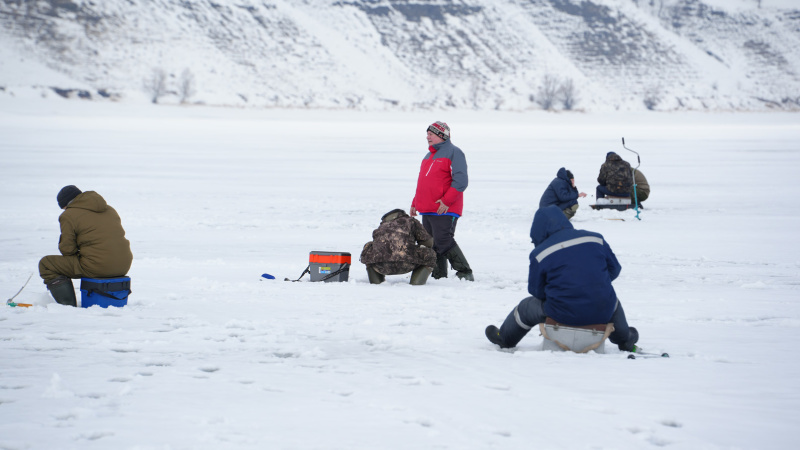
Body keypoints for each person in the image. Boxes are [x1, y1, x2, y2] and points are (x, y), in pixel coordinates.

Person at [485, 205, 639, 352]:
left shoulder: (540, 253)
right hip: (600, 308)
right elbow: (615, 269)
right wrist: (593, 283)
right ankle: (625, 340)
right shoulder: (595, 239)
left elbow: (536, 291)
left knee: (526, 307)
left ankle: (505, 338)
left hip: (561, 312)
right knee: (610, 301)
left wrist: (561, 292)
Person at [39, 186, 133, 306]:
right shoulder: (109, 209)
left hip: (98, 266)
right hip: (123, 265)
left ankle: (67, 306)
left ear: (66, 204)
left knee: (46, 264)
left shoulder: (68, 215)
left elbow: (67, 250)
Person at [410, 121, 474, 281]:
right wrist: (415, 202)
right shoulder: (428, 155)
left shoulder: (454, 152)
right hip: (428, 207)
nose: (427, 137)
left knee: (443, 239)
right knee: (432, 243)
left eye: (431, 134)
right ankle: (439, 275)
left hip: (445, 208)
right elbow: (423, 183)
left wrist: (447, 201)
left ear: (441, 135)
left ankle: (465, 272)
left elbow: (461, 180)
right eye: (427, 134)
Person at [359, 209, 437, 285]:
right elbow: (428, 243)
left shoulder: (381, 226)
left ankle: (376, 281)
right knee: (430, 254)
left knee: (368, 248)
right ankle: (416, 282)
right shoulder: (411, 221)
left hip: (380, 266)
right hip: (407, 263)